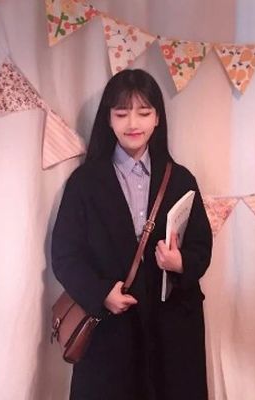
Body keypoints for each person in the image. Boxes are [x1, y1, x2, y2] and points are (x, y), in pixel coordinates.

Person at [51, 69, 212, 400]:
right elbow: (65, 255)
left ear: (158, 118)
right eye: (122, 113)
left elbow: (201, 245)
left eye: (144, 112)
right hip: (112, 325)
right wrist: (101, 293)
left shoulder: (181, 179)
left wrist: (180, 263)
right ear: (108, 119)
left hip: (172, 327)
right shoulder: (85, 182)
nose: (133, 123)